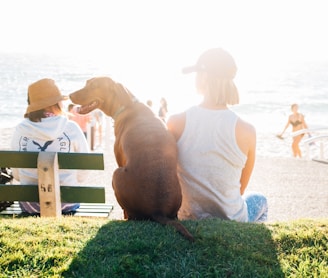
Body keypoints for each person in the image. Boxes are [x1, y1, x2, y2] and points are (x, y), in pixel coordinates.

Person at [167, 48, 268, 223]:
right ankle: (251, 241)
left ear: (204, 77)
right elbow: (240, 190)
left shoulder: (176, 122)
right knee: (260, 200)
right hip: (232, 219)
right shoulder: (247, 130)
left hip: (188, 217)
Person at [11, 78, 89, 214]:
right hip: (67, 202)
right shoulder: (71, 127)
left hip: (30, 204)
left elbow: (16, 174)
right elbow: (84, 169)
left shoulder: (20, 129)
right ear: (56, 103)